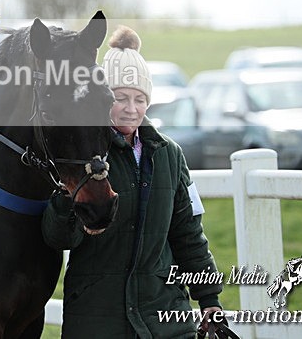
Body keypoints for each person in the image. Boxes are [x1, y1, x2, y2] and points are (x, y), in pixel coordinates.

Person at [41, 26, 223, 338]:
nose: (131, 108)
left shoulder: (170, 156)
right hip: (98, 320)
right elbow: (61, 239)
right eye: (120, 97)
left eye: (139, 99)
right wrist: (64, 197)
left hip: (165, 317)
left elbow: (188, 233)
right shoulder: (83, 156)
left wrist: (209, 299)